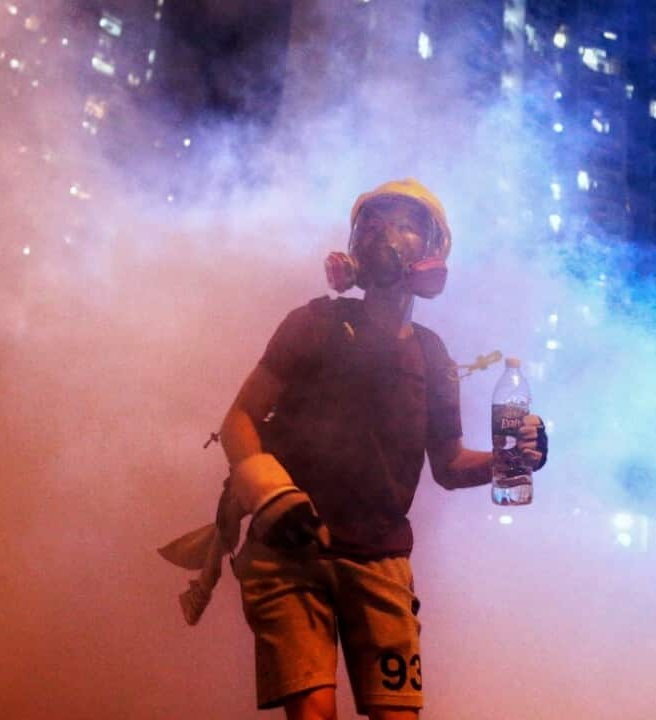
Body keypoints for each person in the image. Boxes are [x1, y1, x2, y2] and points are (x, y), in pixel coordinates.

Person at [218, 179, 547, 719]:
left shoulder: (431, 354)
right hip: (293, 548)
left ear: (432, 250)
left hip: (381, 557)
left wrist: (510, 462)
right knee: (314, 712)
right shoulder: (314, 325)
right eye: (375, 222)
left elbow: (448, 464)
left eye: (405, 224)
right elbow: (239, 420)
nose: (386, 236)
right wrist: (270, 495)